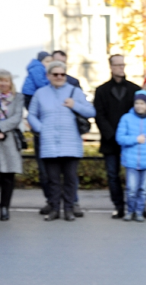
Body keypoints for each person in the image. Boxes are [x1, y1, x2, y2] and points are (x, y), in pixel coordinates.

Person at [27, 60, 96, 221]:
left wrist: (74, 105)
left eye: (62, 74)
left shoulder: (75, 91)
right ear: (48, 76)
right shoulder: (40, 93)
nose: (59, 77)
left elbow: (91, 111)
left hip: (71, 144)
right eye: (55, 74)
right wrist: (41, 128)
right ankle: (55, 209)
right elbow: (31, 114)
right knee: (53, 180)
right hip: (49, 144)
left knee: (70, 179)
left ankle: (69, 210)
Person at [94, 54, 141, 219]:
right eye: (118, 65)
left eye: (123, 64)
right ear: (111, 67)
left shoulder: (135, 89)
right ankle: (119, 206)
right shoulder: (101, 91)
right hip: (110, 140)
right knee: (112, 175)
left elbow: (140, 113)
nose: (121, 67)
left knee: (134, 175)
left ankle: (135, 207)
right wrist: (113, 136)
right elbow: (99, 116)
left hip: (132, 141)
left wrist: (129, 136)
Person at [115, 90, 146, 222]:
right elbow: (120, 138)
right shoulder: (126, 119)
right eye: (137, 103)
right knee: (131, 189)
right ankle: (130, 211)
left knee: (143, 190)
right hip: (131, 162)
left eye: (142, 103)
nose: (139, 106)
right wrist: (136, 139)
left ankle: (139, 211)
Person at [22, 52, 54, 213]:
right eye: (48, 61)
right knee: (44, 167)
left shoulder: (38, 68)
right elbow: (42, 85)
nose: (49, 64)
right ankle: (52, 200)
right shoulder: (37, 69)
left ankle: (55, 200)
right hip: (31, 98)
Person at [0, 69, 24, 221]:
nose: (3, 83)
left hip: (9, 140)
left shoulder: (18, 97)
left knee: (8, 176)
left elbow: (17, 117)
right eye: (0, 80)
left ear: (10, 83)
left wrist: (1, 129)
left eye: (5, 80)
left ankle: (4, 207)